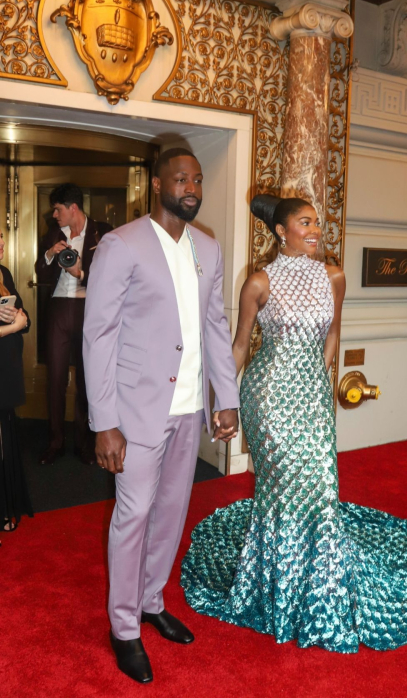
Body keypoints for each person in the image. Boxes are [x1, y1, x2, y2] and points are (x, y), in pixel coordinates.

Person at [181, 195, 407, 652]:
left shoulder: (334, 276)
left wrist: (317, 377)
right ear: (281, 230)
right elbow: (238, 347)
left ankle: (320, 587)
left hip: (310, 396)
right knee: (280, 485)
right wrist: (221, 401)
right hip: (269, 395)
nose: (316, 230)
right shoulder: (259, 282)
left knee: (319, 485)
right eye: (305, 222)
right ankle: (276, 586)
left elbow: (333, 332)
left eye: (317, 222)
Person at [83, 147, 240, 684]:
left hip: (189, 408)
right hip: (136, 412)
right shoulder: (121, 244)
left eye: (197, 179)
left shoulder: (208, 248)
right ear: (157, 185)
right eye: (181, 179)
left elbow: (215, 326)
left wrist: (227, 398)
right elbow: (98, 335)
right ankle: (123, 627)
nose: (192, 187)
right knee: (133, 517)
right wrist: (104, 420)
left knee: (172, 513)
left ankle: (152, 601)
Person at [35, 184, 112, 465]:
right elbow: (40, 271)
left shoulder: (102, 232)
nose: (54, 214)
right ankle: (55, 442)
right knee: (55, 378)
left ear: (73, 208)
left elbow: (113, 272)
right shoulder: (55, 234)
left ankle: (85, 444)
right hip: (58, 309)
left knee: (86, 379)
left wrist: (80, 272)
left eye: (58, 209)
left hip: (88, 309)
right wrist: (49, 255)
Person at [0, 230, 33, 538]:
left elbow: (26, 318)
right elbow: (17, 328)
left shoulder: (4, 272)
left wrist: (18, 316)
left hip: (6, 370)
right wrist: (13, 327)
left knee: (6, 439)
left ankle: (8, 507)